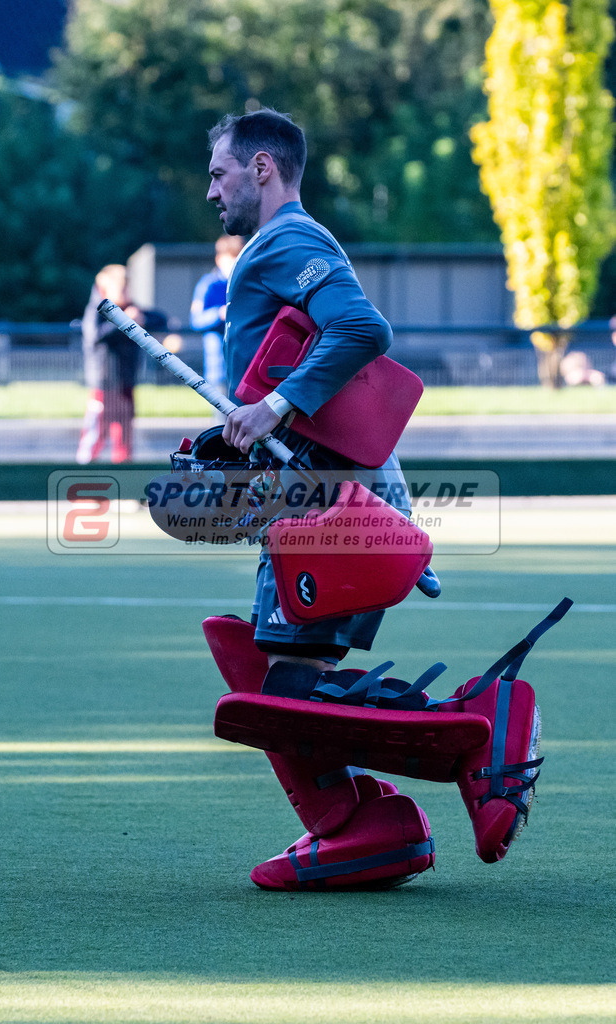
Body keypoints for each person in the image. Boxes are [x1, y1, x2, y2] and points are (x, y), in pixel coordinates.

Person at [203, 109, 448, 890]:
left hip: (328, 499)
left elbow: (361, 331)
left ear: (263, 167)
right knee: (282, 671)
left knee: (287, 685)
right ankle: (361, 822)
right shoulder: (280, 246)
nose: (211, 191)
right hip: (310, 492)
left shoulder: (289, 241)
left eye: (220, 173)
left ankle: (475, 743)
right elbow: (286, 372)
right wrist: (236, 432)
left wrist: (272, 411)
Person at [76, 264, 168, 464]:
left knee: (124, 436)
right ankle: (83, 480)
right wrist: (123, 322)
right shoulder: (96, 310)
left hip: (126, 381)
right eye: (122, 288)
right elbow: (94, 337)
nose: (126, 292)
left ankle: (123, 479)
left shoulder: (130, 308)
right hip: (105, 382)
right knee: (96, 433)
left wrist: (138, 318)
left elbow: (159, 319)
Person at [190, 236, 245, 391]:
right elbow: (196, 320)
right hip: (218, 368)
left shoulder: (246, 283)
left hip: (244, 367)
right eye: (231, 260)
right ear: (219, 259)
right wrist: (219, 314)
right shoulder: (209, 284)